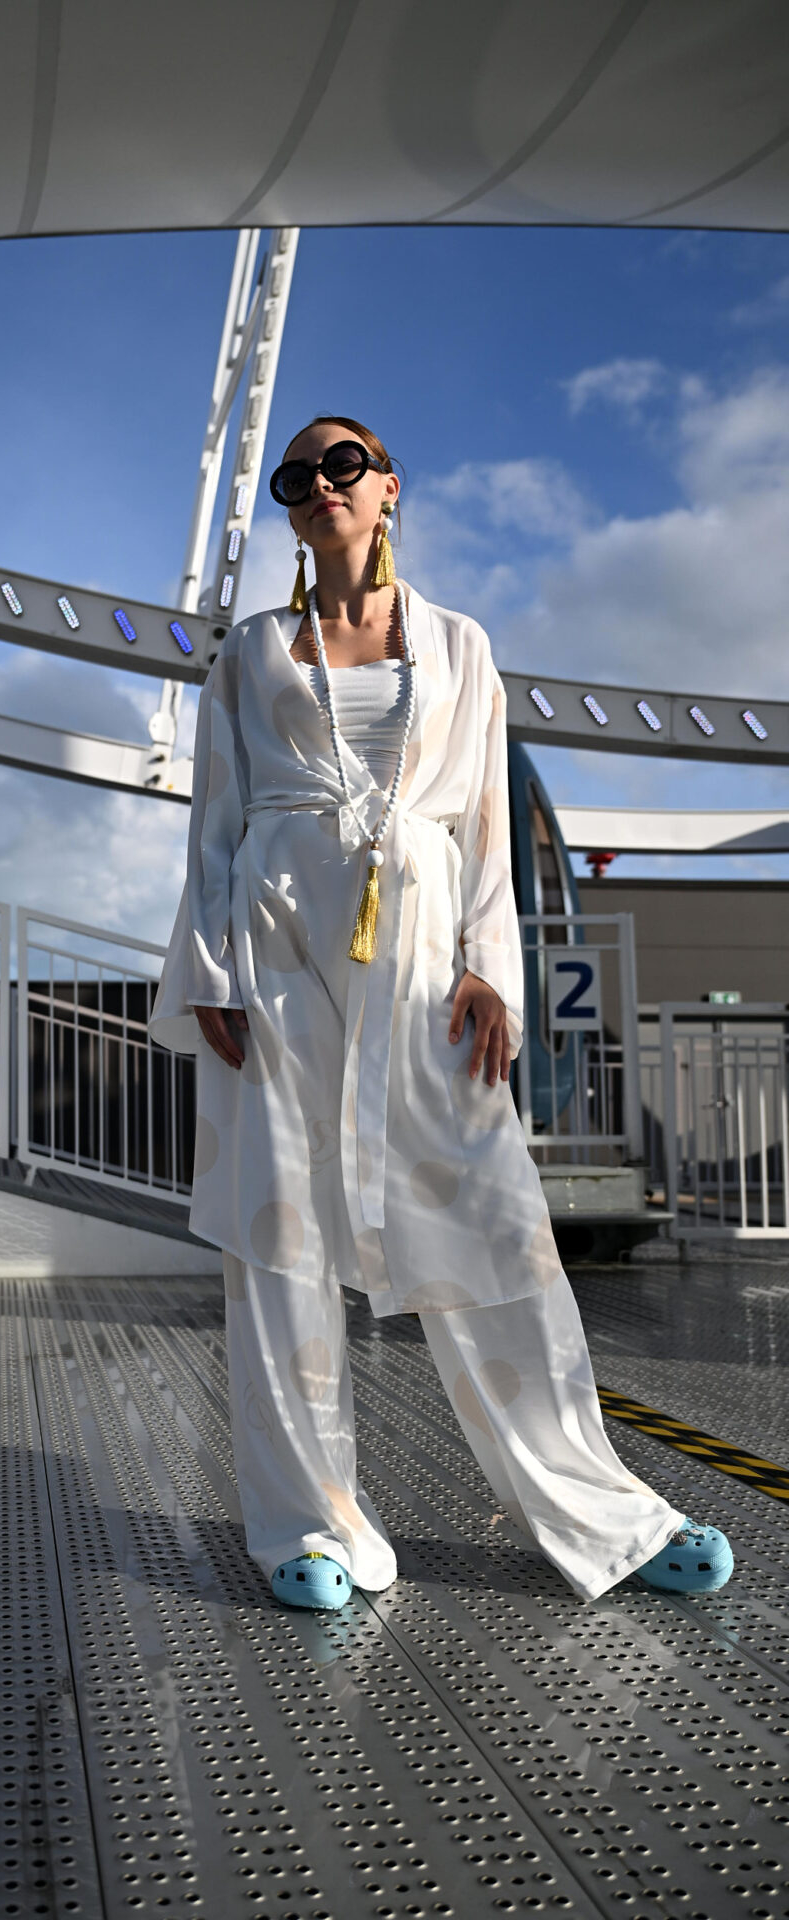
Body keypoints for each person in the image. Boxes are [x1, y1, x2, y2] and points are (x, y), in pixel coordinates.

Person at [149, 415, 733, 1608]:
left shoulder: (459, 645)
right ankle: (308, 1528)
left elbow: (481, 833)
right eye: (296, 475)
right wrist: (208, 968)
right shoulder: (250, 651)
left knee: (494, 1228)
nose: (318, 484)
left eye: (341, 465)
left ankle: (605, 1517)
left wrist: (489, 971)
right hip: (273, 951)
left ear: (387, 490)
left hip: (421, 961)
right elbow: (214, 819)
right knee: (278, 1241)